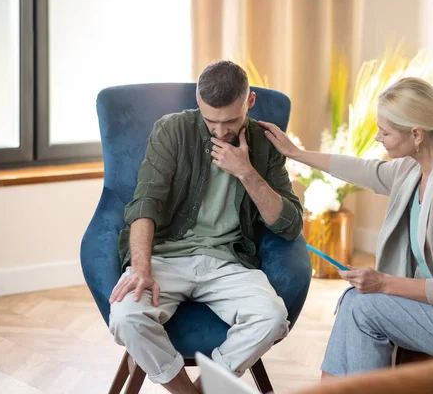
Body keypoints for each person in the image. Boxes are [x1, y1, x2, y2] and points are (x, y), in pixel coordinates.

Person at [260, 77, 433, 377]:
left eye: (385, 132)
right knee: (354, 301)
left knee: (362, 308)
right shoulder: (415, 168)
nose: (378, 139)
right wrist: (297, 154)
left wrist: (382, 283)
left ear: (416, 134)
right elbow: (366, 170)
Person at [108, 60, 304, 394]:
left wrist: (246, 172)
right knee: (126, 317)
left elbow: (289, 225)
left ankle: (205, 388)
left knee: (271, 319)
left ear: (250, 102)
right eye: (210, 120)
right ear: (199, 105)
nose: (219, 131)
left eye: (230, 121)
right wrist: (140, 267)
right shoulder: (173, 130)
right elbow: (145, 203)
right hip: (167, 256)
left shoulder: (265, 144)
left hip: (230, 262)